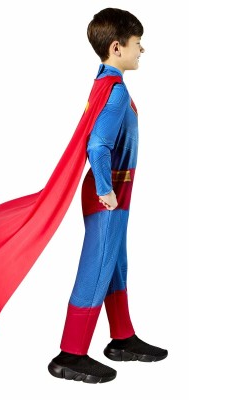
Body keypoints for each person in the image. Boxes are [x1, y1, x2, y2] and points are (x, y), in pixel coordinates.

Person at [47, 8, 168, 384]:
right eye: (137, 43)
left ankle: (122, 338)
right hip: (109, 192)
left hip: (115, 190)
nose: (141, 50)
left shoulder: (106, 83)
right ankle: (70, 354)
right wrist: (105, 190)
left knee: (115, 264)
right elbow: (97, 145)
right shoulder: (115, 92)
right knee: (97, 266)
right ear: (117, 47)